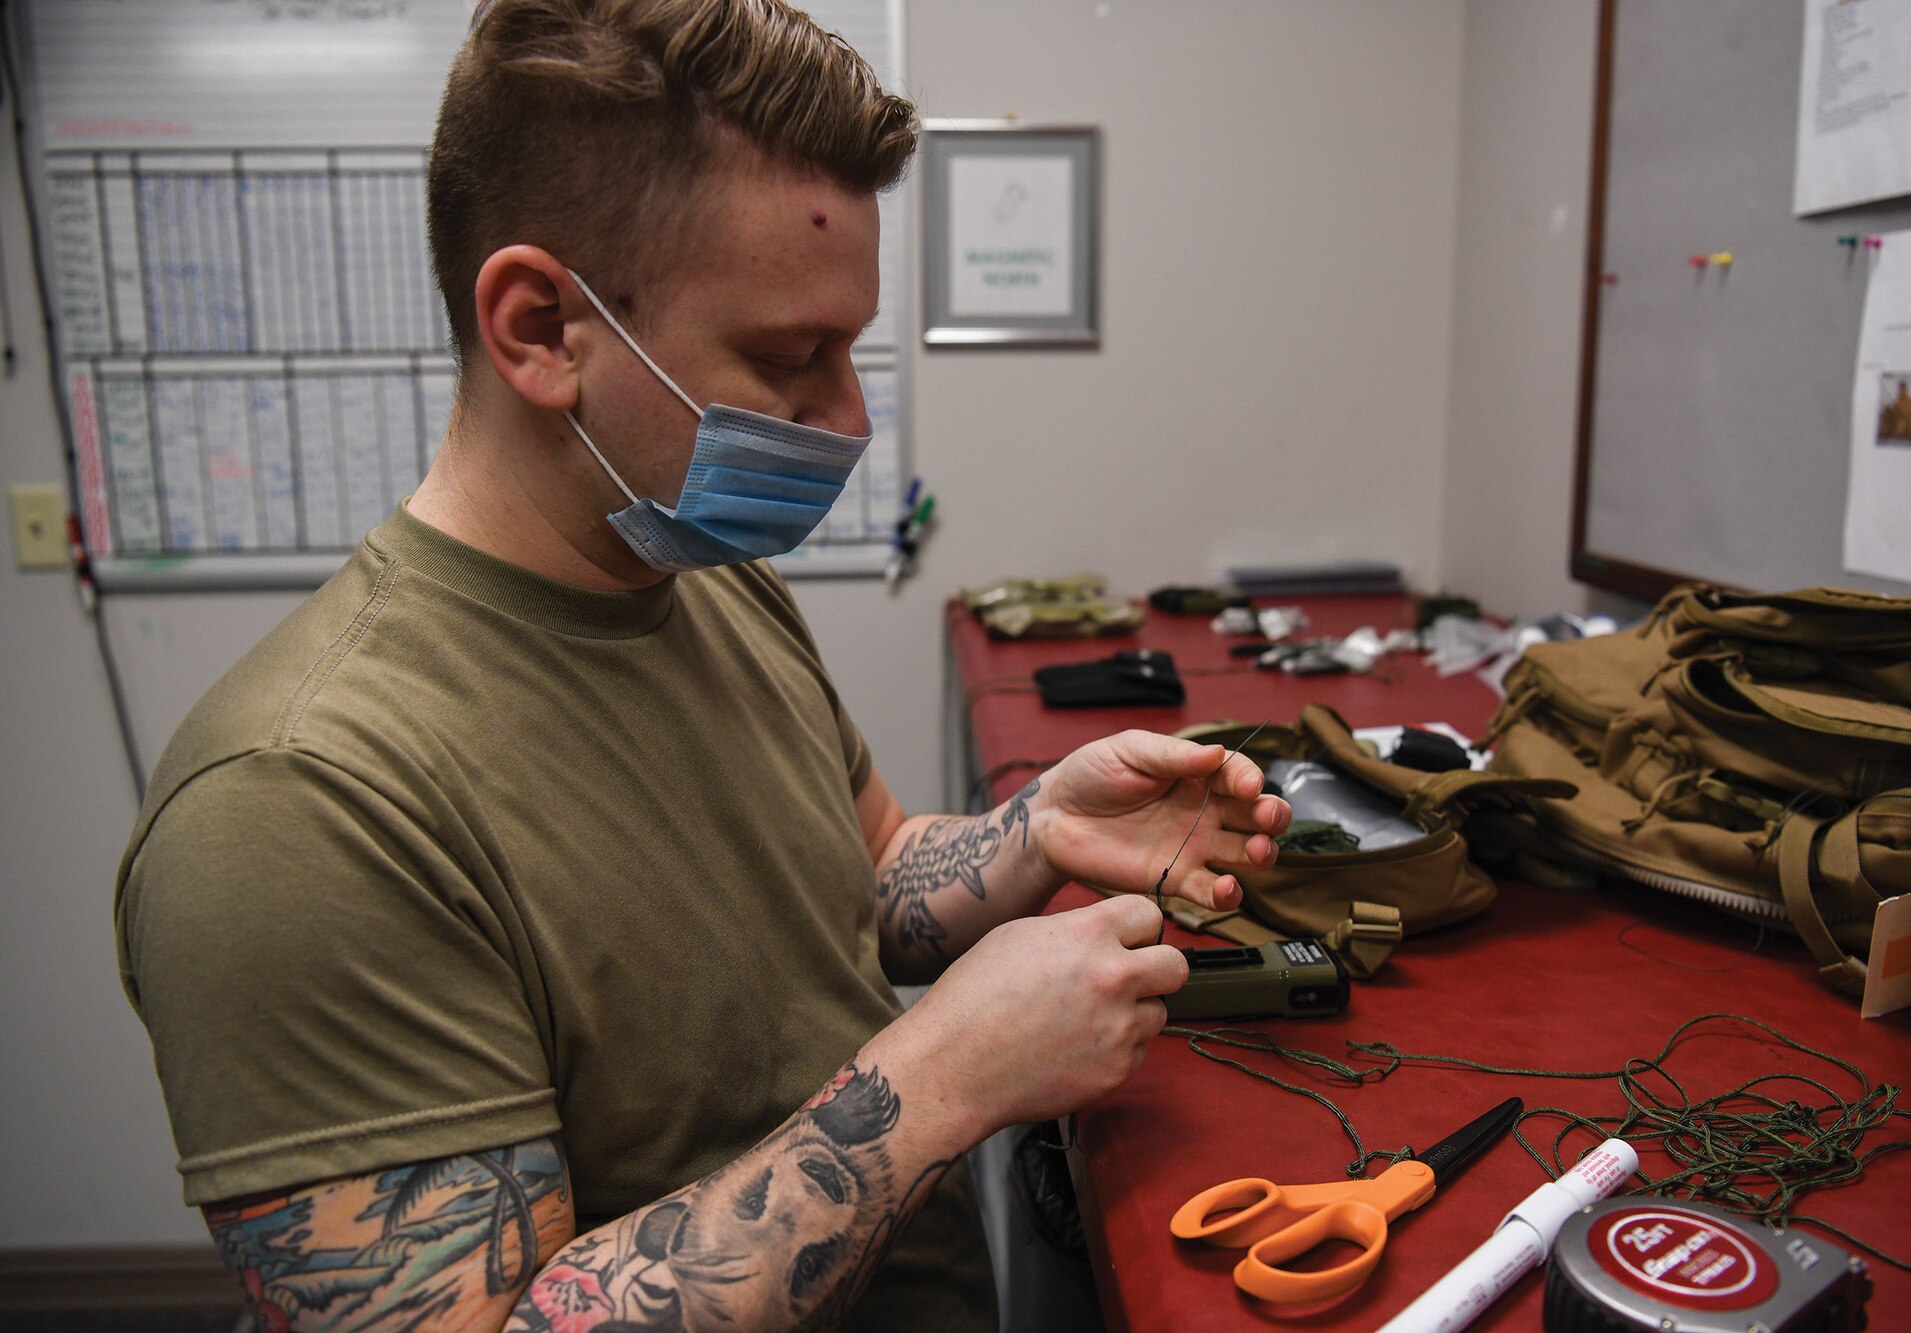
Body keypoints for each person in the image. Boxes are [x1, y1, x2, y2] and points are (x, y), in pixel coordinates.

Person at [113, 2, 1291, 1329]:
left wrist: (1038, 832)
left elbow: (862, 882)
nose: (847, 422)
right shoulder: (293, 808)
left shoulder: (708, 580)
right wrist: (945, 1079)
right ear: (541, 327)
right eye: (791, 359)